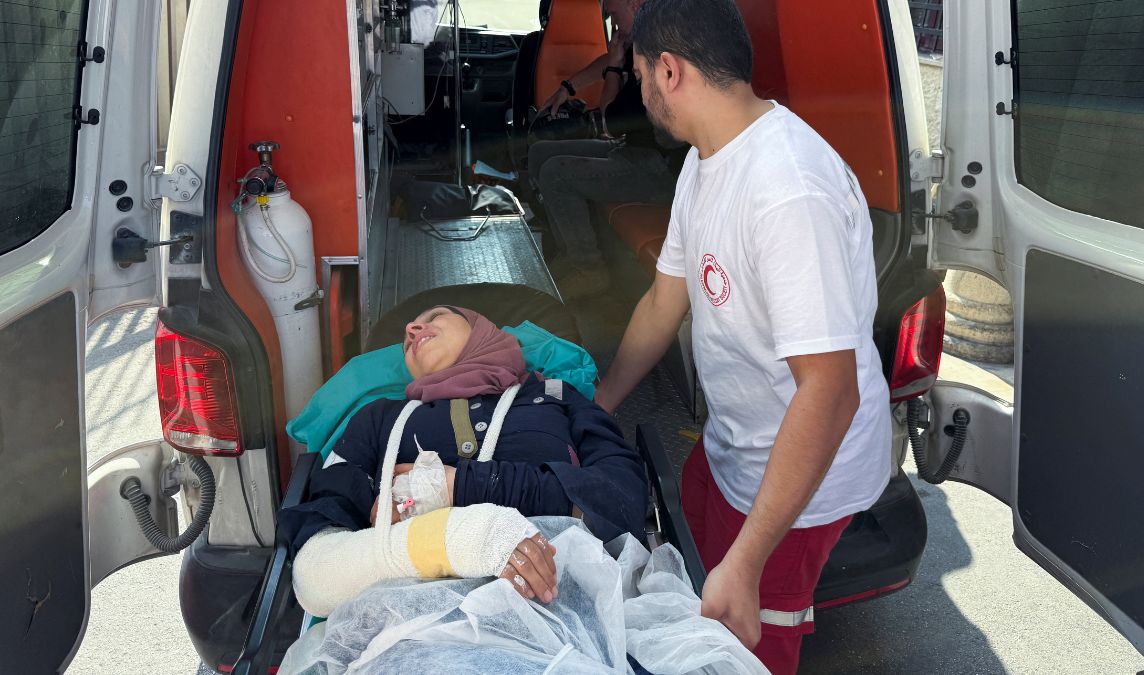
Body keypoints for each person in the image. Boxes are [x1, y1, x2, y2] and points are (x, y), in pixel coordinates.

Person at [593, 0, 891, 672]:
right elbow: (664, 299)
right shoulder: (707, 160)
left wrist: (748, 560)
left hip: (804, 471)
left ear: (669, 71)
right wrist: (601, 402)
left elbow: (831, 391)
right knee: (688, 558)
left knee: (746, 643)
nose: (638, 90)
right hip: (735, 439)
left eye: (639, 74)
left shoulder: (786, 189)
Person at [278, 305, 647, 617]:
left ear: (479, 328)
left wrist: (459, 487)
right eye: (408, 336)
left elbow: (622, 503)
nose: (412, 330)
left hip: (563, 616)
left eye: (435, 316)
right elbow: (316, 574)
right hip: (412, 636)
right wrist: (465, 539)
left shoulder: (555, 396)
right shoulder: (378, 419)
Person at [530, 0, 686, 300]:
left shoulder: (659, 54)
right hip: (634, 151)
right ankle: (568, 253)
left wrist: (615, 65)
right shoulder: (643, 39)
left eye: (613, 14)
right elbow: (608, 60)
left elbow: (609, 122)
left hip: (660, 170)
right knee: (541, 153)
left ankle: (589, 270)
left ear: (635, 6)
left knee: (555, 173)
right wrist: (567, 88)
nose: (612, 22)